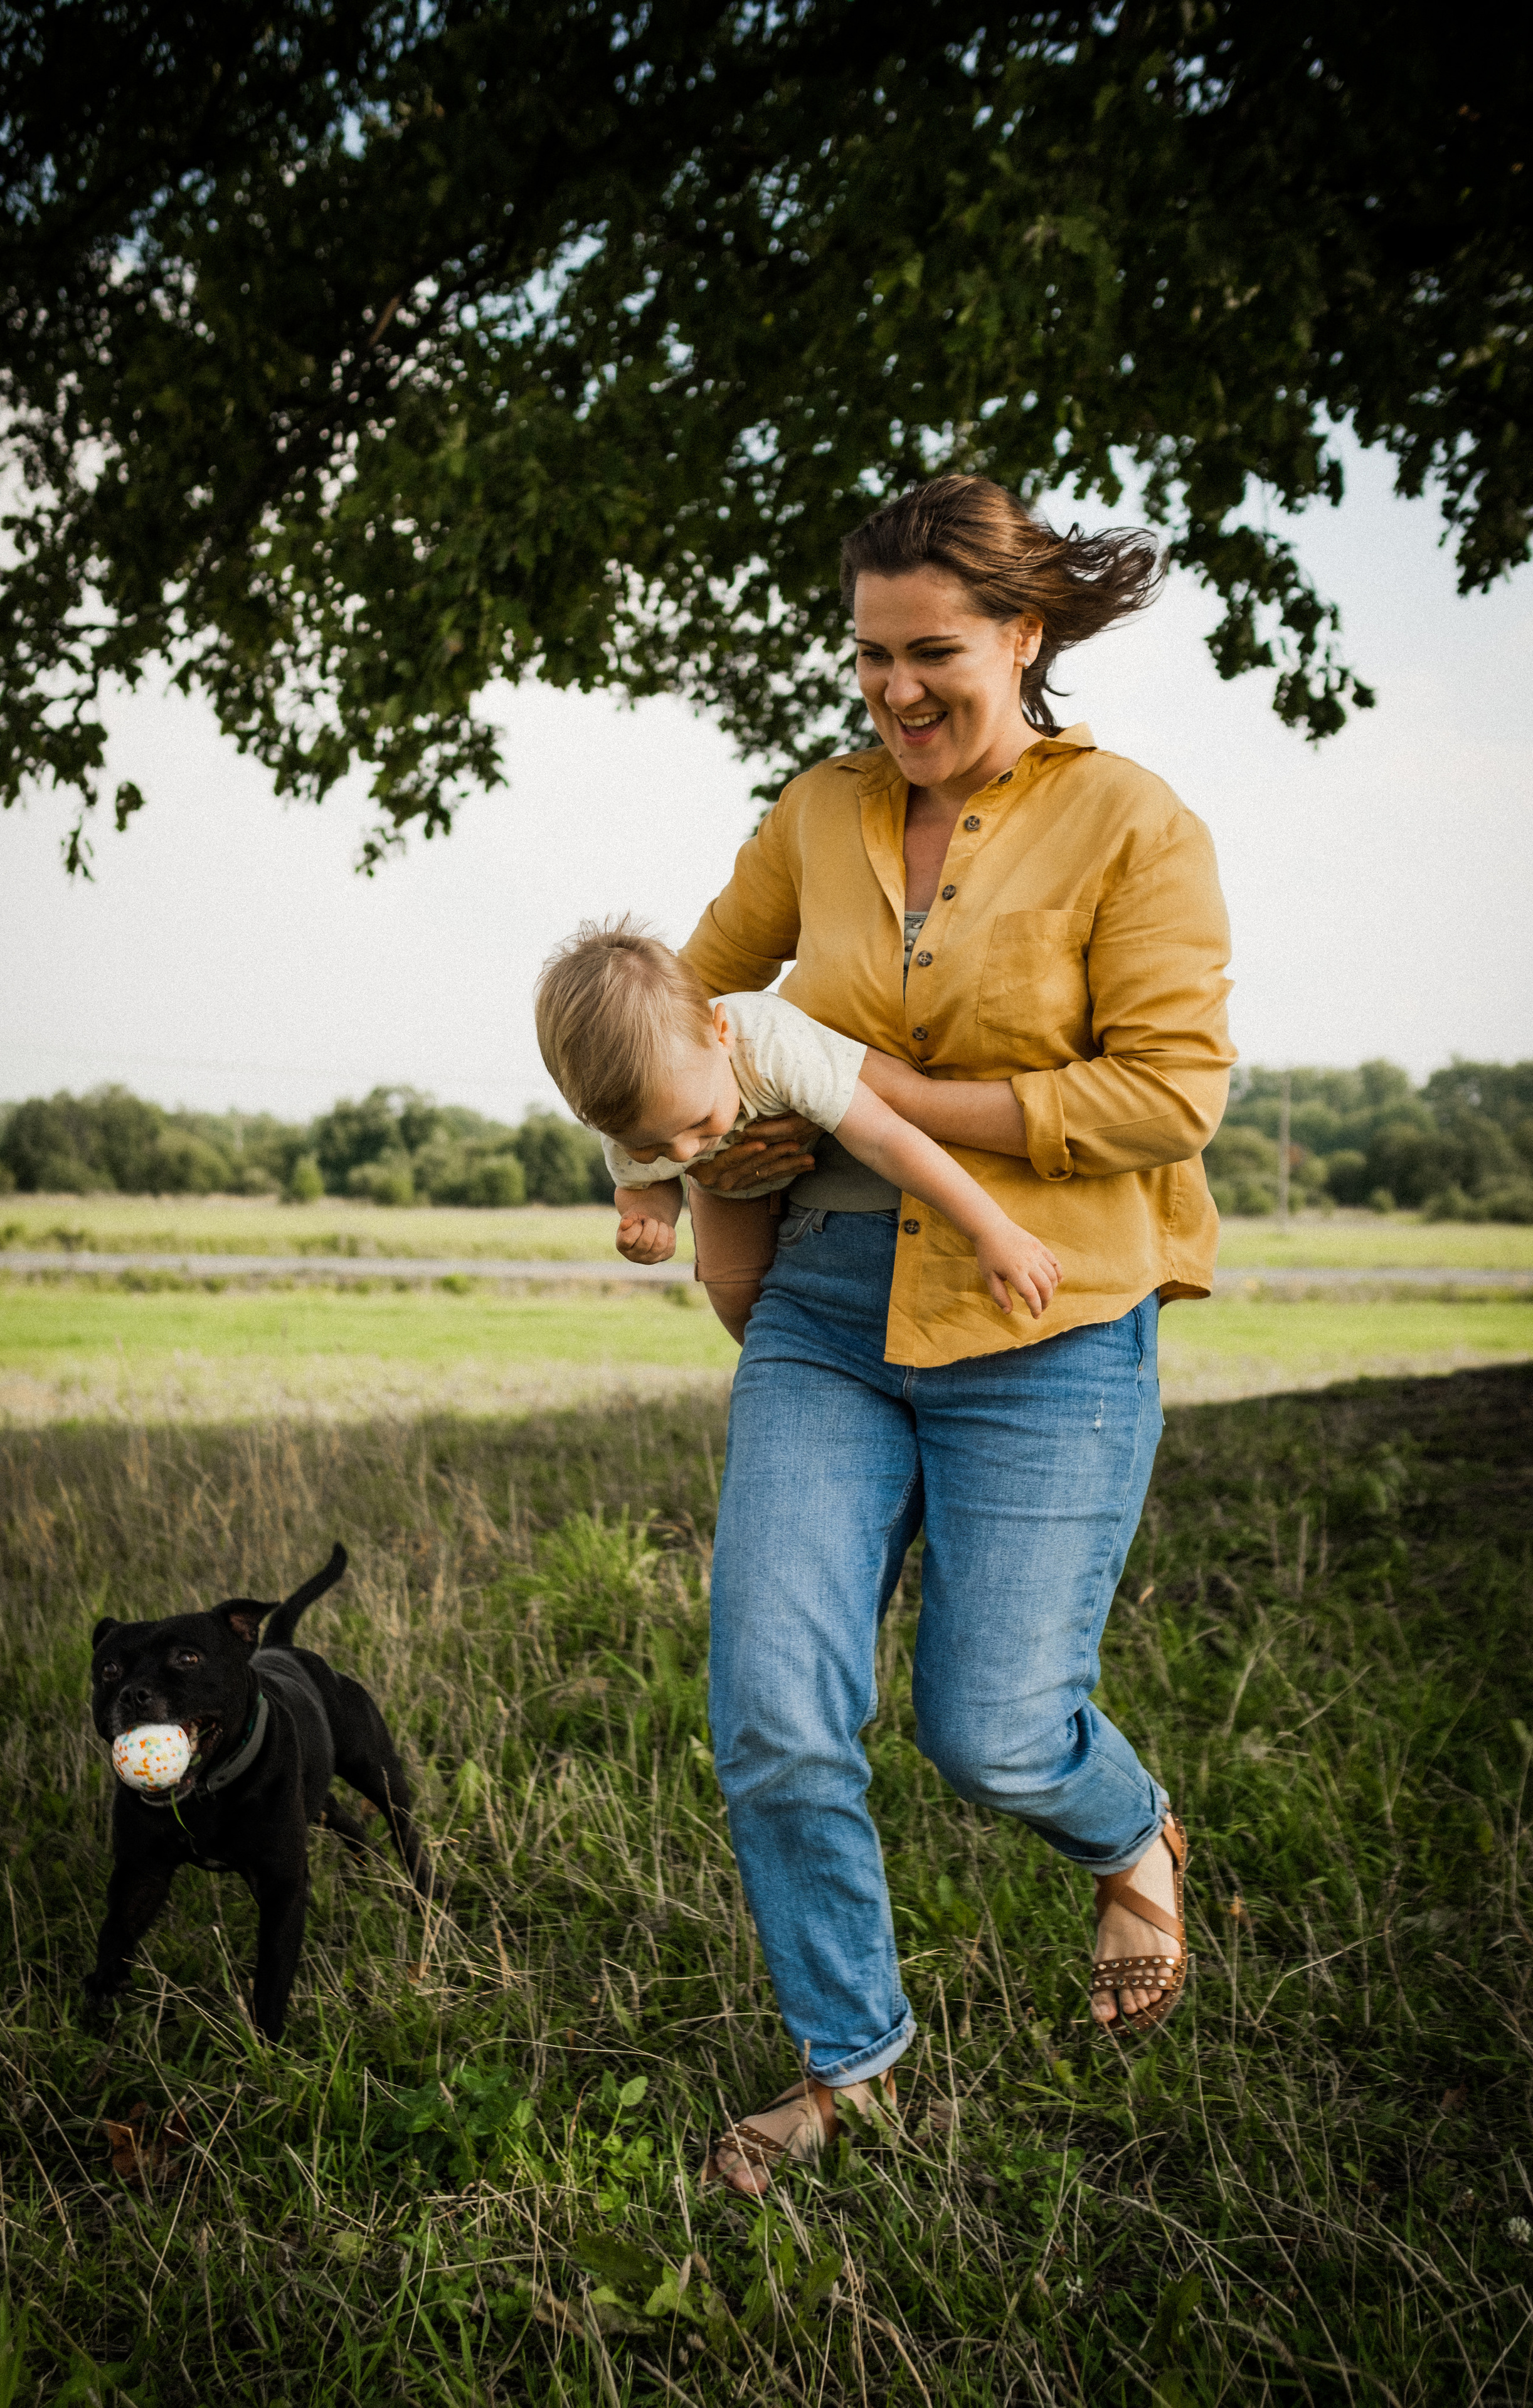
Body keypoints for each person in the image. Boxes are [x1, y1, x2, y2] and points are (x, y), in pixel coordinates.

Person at [672, 474, 1235, 2195]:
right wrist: (696, 1167)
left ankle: (1128, 1827)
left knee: (990, 1733)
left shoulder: (1133, 824)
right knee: (773, 1710)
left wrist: (890, 1095)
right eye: (868, 658)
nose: (897, 693)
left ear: (1025, 634)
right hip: (829, 1310)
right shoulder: (817, 814)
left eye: (935, 656)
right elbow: (689, 1014)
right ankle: (856, 2064)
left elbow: (1169, 1092)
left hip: (1049, 1315)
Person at [532, 924, 1061, 1333]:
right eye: (650, 1145)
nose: (687, 1150)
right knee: (734, 1296)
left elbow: (884, 1138)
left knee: (893, 1099)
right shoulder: (630, 1118)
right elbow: (643, 1184)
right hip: (736, 1178)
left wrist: (990, 1229)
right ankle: (787, 1361)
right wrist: (651, 1218)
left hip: (822, 1080)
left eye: (697, 1123)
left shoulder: (775, 1049)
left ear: (721, 1034)